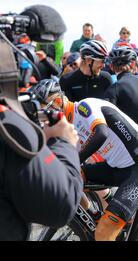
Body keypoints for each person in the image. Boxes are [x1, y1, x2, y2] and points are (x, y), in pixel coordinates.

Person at [32, 82, 138, 241]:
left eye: (44, 112)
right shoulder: (69, 126)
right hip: (118, 168)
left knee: (103, 234)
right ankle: (93, 214)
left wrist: (75, 160)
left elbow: (101, 133)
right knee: (70, 178)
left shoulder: (85, 106)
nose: (43, 118)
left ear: (57, 102)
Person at [1, 79, 82, 240]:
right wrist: (64, 143)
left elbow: (101, 133)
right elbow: (62, 205)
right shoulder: (6, 123)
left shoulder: (84, 107)